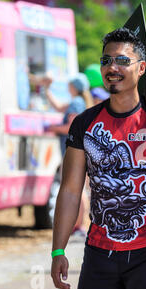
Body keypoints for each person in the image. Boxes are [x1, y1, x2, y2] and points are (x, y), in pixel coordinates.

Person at [50, 27, 146, 289]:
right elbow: (70, 190)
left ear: (141, 68)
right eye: (106, 60)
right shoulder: (84, 123)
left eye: (121, 60)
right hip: (99, 252)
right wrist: (58, 250)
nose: (112, 67)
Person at [44, 73, 93, 236]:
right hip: (77, 152)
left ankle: (78, 226)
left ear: (73, 87)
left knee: (76, 190)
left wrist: (52, 128)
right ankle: (79, 225)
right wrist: (47, 88)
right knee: (79, 190)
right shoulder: (79, 102)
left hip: (72, 153)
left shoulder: (76, 103)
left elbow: (70, 127)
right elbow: (58, 106)